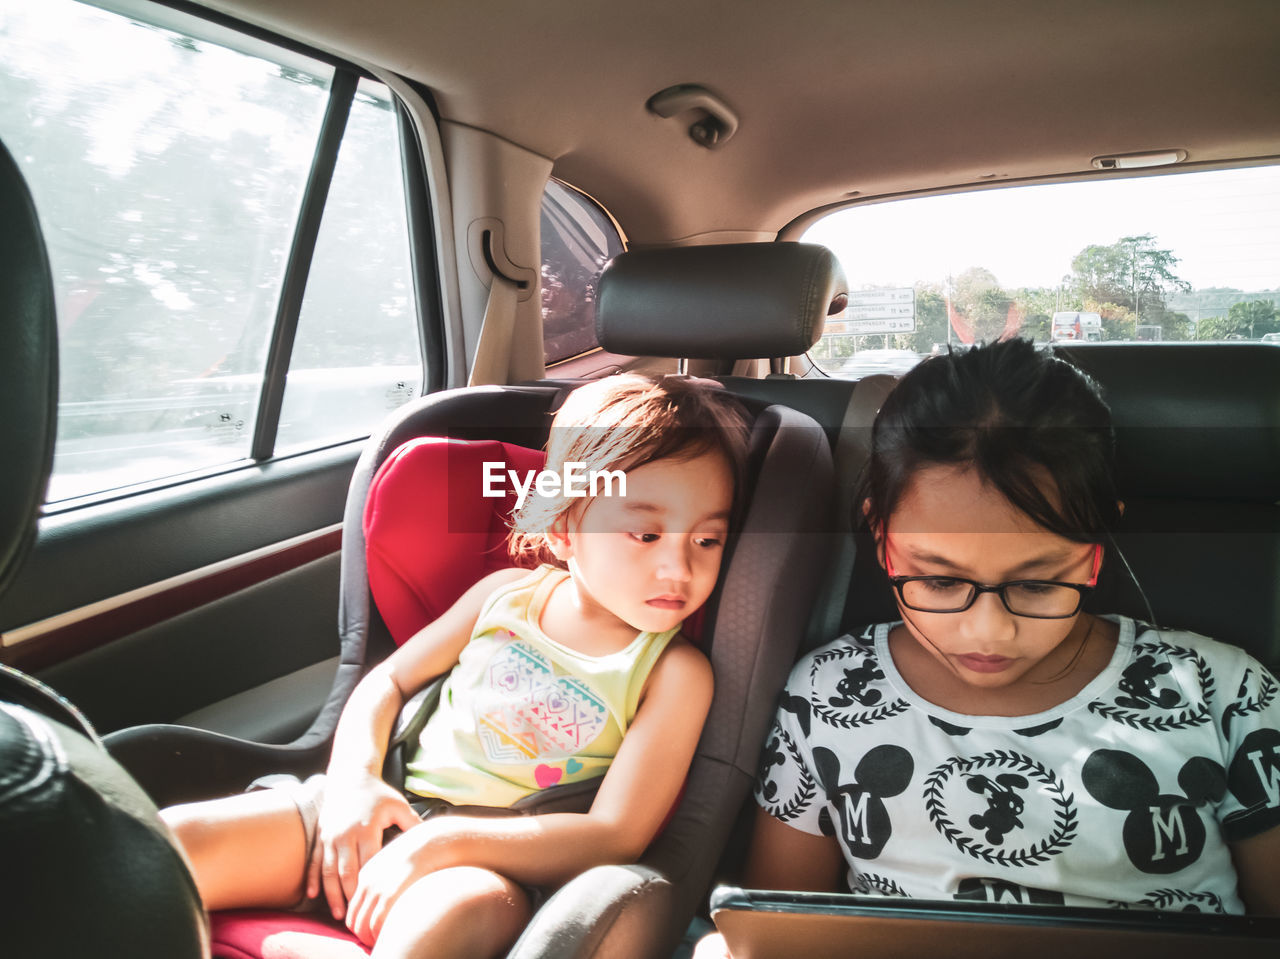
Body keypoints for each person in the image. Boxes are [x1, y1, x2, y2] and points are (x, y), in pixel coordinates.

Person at [697, 339, 1280, 957]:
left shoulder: (1221, 693)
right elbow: (783, 929)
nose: (988, 632)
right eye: (941, 580)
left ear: (1097, 540)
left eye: (1036, 583)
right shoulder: (826, 695)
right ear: (880, 534)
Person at [162, 373, 750, 958]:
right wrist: (354, 781)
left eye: (707, 541)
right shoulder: (503, 594)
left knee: (447, 919)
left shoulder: (673, 674)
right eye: (646, 534)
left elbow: (615, 834)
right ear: (566, 527)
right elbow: (387, 681)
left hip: (495, 866)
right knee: (166, 848)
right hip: (382, 807)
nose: (679, 568)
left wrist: (443, 844)